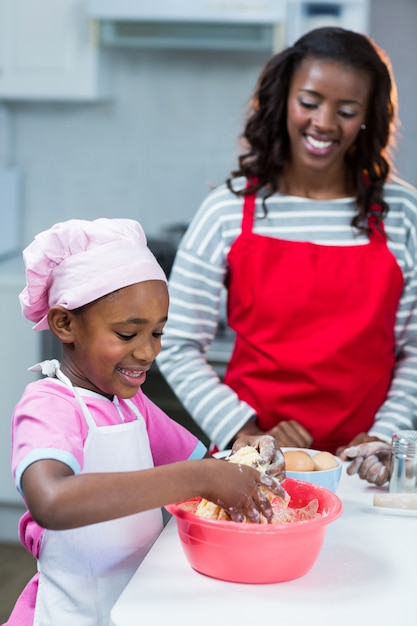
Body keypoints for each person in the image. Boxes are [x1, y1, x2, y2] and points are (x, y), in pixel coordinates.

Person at [4, 218, 286, 626]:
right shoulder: (50, 405)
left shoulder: (133, 406)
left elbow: (210, 463)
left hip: (135, 606)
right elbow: (52, 501)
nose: (147, 351)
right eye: (126, 334)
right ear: (65, 324)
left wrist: (247, 456)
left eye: (157, 333)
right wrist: (198, 477)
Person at [156, 26, 417, 456]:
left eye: (347, 110)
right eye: (309, 103)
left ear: (370, 114)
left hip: (366, 465)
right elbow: (177, 342)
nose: (324, 123)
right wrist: (245, 428)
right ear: (284, 102)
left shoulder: (401, 212)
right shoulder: (227, 210)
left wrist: (382, 438)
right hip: (255, 463)